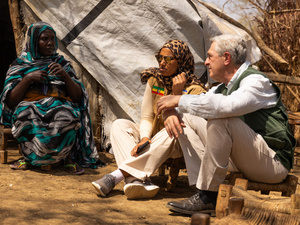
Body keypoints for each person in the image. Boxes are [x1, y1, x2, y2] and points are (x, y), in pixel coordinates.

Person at [156, 34, 296, 215]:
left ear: (227, 58)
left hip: (272, 164)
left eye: (210, 56)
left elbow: (228, 106)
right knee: (187, 118)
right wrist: (171, 112)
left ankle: (208, 195)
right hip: (244, 159)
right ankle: (202, 188)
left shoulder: (256, 81)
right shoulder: (222, 87)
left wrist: (178, 99)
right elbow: (197, 105)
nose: (206, 62)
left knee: (222, 119)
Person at [92, 39, 206, 199]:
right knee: (119, 125)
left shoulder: (195, 89)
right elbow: (147, 116)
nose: (161, 63)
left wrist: (177, 93)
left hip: (174, 142)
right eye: (160, 58)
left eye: (167, 59)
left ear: (180, 62)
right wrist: (145, 136)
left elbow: (188, 123)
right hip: (153, 137)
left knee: (173, 128)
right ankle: (136, 180)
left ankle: (116, 176)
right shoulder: (155, 80)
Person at [0, 21, 101, 174]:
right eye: (44, 39)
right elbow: (10, 100)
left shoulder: (62, 64)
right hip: (29, 105)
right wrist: (27, 79)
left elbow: (78, 97)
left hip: (59, 103)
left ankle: (67, 159)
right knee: (25, 114)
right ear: (34, 41)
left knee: (66, 115)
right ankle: (29, 157)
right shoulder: (20, 64)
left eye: (52, 39)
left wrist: (65, 76)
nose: (49, 43)